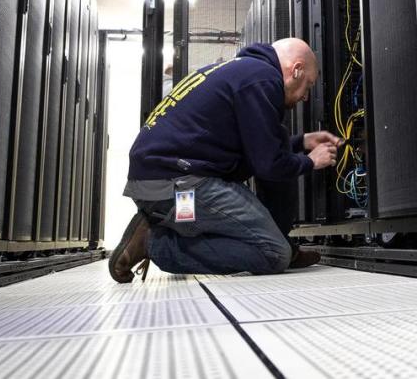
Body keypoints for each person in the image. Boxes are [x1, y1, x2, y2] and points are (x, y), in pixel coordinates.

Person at [110, 38, 340, 282]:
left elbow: (257, 146)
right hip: (179, 186)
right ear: (296, 70)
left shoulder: (242, 70)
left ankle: (165, 223)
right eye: (309, 85)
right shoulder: (263, 78)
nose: (306, 96)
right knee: (273, 253)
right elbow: (269, 165)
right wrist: (311, 161)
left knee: (265, 235)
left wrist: (302, 141)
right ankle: (154, 244)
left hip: (161, 183)